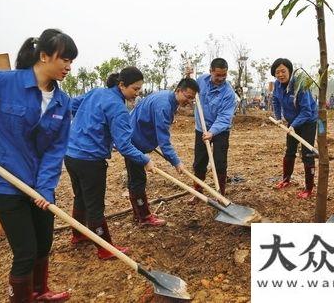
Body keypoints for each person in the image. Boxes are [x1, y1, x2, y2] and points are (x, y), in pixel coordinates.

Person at [0, 28, 77, 302]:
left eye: (72, 60)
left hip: (39, 184)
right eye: (65, 58)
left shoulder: (63, 102)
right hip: (7, 182)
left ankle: (39, 291)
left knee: (44, 244)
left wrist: (46, 188)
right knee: (26, 251)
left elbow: (55, 150)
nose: (69, 66)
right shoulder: (5, 83)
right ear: (44, 56)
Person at [65, 67, 153, 260]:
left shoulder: (97, 92)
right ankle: (105, 248)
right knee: (95, 204)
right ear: (121, 85)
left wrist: (86, 126)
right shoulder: (118, 108)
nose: (137, 93)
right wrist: (145, 159)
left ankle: (79, 235)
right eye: (135, 89)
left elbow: (71, 106)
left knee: (80, 196)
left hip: (70, 154)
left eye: (139, 89)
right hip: (90, 160)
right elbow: (124, 146)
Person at [126, 78, 199, 225]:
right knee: (137, 180)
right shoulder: (164, 106)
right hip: (133, 142)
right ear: (178, 90)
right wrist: (176, 162)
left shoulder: (167, 98)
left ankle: (139, 214)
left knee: (136, 179)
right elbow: (164, 141)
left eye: (192, 99)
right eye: (188, 97)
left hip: (136, 135)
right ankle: (144, 217)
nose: (189, 101)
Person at [271, 58, 318, 199]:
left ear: (290, 71)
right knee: (289, 151)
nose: (280, 74)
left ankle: (309, 188)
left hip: (308, 122)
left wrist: (292, 125)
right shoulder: (277, 85)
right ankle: (286, 180)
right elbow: (275, 100)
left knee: (307, 154)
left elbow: (307, 111)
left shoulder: (300, 86)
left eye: (283, 71)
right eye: (277, 72)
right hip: (292, 123)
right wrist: (278, 117)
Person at [192, 58, 236, 198]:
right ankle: (198, 191)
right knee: (199, 162)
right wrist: (187, 77)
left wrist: (212, 132)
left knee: (219, 162)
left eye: (224, 75)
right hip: (201, 128)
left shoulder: (229, 93)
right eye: (218, 75)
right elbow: (188, 90)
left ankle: (220, 195)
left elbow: (224, 117)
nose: (221, 78)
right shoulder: (200, 81)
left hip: (220, 131)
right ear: (210, 71)